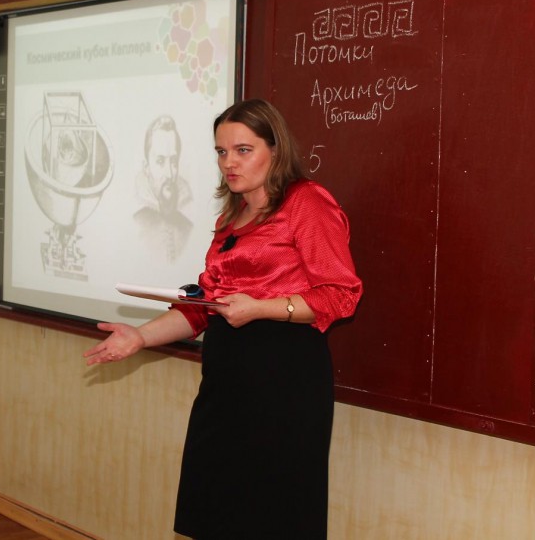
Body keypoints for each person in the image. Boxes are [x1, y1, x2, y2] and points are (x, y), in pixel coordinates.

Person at [84, 99, 362, 539]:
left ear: (275, 149)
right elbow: (205, 306)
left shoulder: (306, 203)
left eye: (243, 150)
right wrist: (140, 337)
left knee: (272, 520)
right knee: (215, 514)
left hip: (284, 384)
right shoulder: (230, 218)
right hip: (225, 387)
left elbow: (340, 295)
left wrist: (261, 307)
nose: (229, 162)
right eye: (221, 151)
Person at [133, 114, 193, 263]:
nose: (169, 174)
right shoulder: (135, 225)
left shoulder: (188, 229)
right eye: (160, 161)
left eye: (173, 162)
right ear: (146, 168)